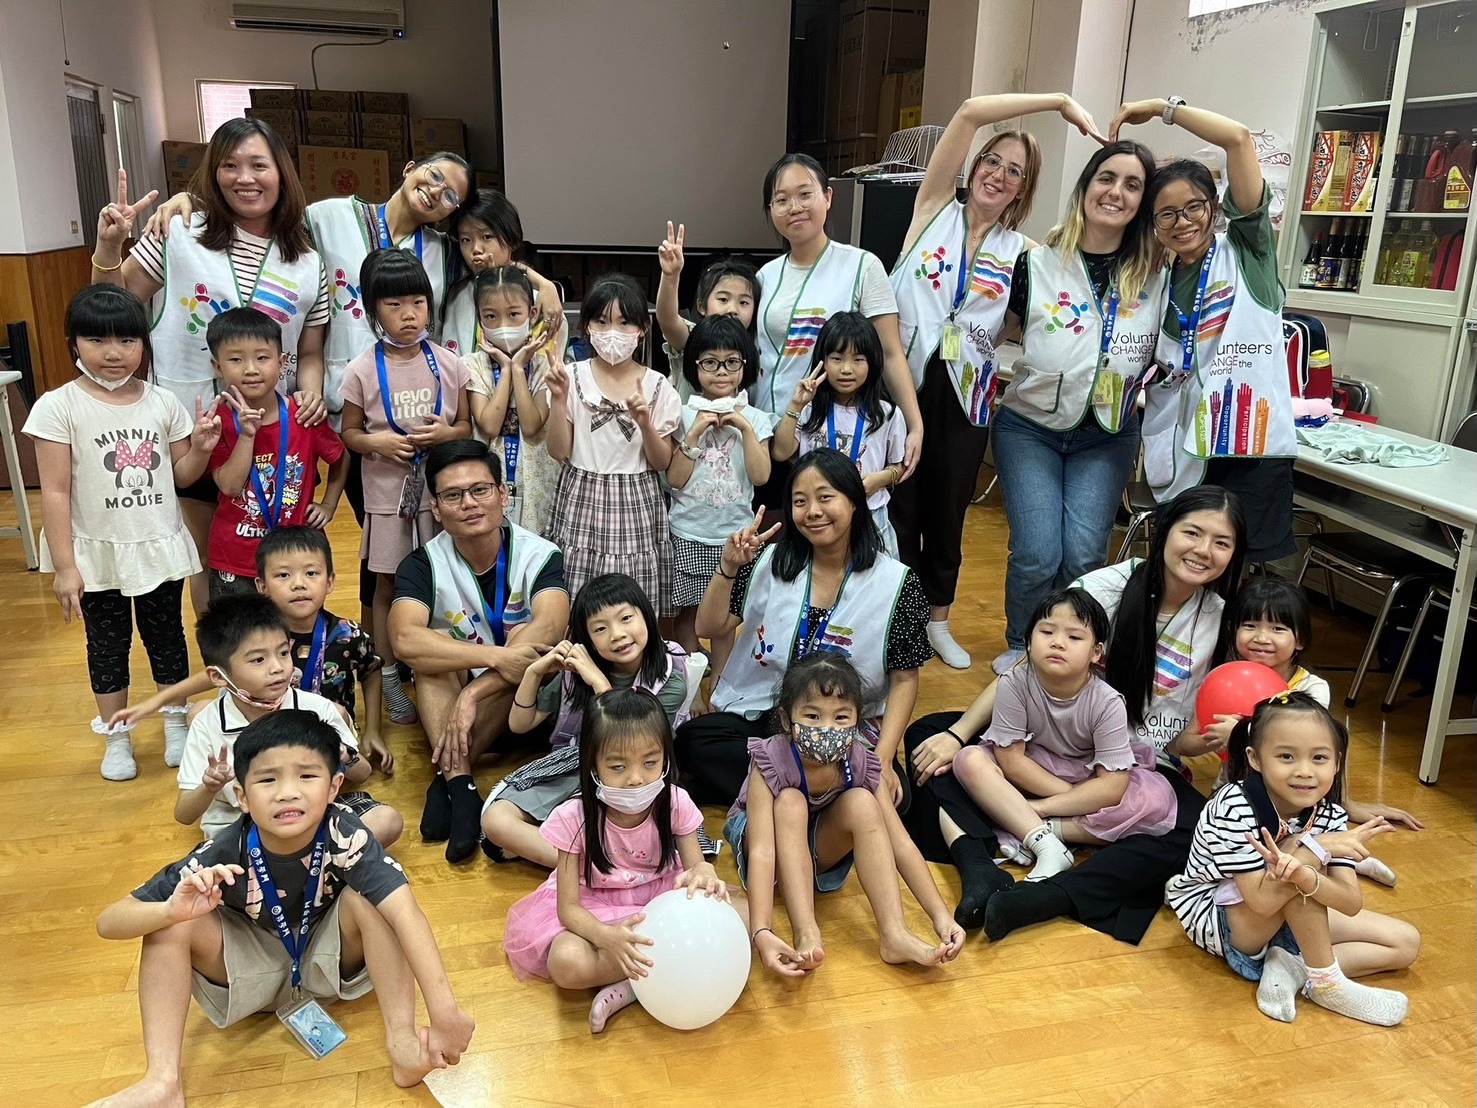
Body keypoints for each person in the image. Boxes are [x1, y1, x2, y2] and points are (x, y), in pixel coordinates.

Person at [904, 486, 1244, 941]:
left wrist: (1219, 737)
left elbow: (1192, 729)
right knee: (930, 737)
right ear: (1164, 531)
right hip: (1049, 745)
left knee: (1200, 834)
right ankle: (980, 868)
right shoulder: (1104, 588)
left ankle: (1043, 891)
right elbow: (1026, 670)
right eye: (1193, 533)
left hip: (1133, 767)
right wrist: (959, 732)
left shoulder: (1222, 620)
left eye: (1221, 542)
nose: (1203, 551)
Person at [93, 712, 474, 1105]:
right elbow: (109, 921)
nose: (287, 792)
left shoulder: (346, 833)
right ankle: (162, 1083)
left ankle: (404, 1047)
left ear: (334, 786)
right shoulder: (224, 850)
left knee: (377, 898)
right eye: (267, 779)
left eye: (307, 776)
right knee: (170, 922)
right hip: (248, 974)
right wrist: (171, 912)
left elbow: (406, 913)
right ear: (241, 796)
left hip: (327, 961)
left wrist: (444, 1011)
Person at [890, 91, 1103, 670]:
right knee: (897, 504)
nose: (999, 176)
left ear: (1022, 190)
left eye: (1015, 172)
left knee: (948, 508)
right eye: (993, 162)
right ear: (974, 166)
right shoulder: (932, 208)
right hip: (899, 382)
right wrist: (1058, 101)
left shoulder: (1025, 254)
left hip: (967, 394)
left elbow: (1019, 319)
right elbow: (968, 112)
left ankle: (936, 618)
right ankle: (896, 614)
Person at [94, 120, 330, 615]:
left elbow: (309, 350)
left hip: (269, 433)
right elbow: (111, 305)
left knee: (273, 563)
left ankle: (274, 668)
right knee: (207, 559)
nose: (245, 177)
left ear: (281, 173)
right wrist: (110, 248)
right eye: (230, 165)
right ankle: (225, 674)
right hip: (189, 427)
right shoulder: (179, 232)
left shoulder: (307, 260)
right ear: (213, 173)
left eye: (258, 165)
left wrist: (309, 391)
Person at [24, 285, 220, 780]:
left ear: (143, 344)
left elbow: (182, 475)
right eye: (97, 340)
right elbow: (55, 493)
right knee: (106, 646)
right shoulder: (57, 405)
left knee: (167, 636)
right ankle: (116, 735)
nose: (114, 353)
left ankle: (176, 722)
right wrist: (65, 567)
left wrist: (199, 446)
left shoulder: (163, 401)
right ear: (74, 343)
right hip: (98, 552)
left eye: (127, 340)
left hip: (157, 543)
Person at [991, 140, 1165, 675]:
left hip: (1108, 433)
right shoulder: (1036, 262)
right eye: (1106, 178)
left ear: (1143, 200)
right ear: (1086, 186)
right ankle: (1024, 644)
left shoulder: (1159, 272)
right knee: (1038, 552)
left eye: (1133, 184)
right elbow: (1002, 329)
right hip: (1031, 427)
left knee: (1084, 557)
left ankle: (1069, 648)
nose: (1116, 192)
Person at [676, 448, 933, 811]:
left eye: (825, 497)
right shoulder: (770, 559)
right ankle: (819, 795)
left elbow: (905, 679)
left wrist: (887, 759)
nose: (812, 511)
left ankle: (778, 791)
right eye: (800, 501)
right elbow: (709, 625)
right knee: (692, 741)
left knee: (898, 796)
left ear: (855, 502)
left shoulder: (896, 583)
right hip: (772, 714)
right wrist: (728, 567)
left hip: (840, 723)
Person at [1110, 100, 1298, 564]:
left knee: (1242, 579)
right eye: (1167, 214)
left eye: (1193, 207)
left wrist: (1160, 108)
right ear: (1153, 225)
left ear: (1214, 207)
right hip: (1187, 448)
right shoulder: (1157, 280)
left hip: (1250, 447)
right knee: (1186, 573)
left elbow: (1237, 138)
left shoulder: (1249, 251)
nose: (1183, 221)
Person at [1166, 693, 1419, 1026]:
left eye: (1319, 758)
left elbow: (1349, 901)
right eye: (1286, 756)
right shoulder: (1233, 804)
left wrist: (1308, 870)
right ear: (1255, 759)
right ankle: (1329, 983)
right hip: (1224, 918)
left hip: (1286, 910)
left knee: (1405, 943)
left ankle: (1294, 968)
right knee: (1295, 878)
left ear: (1337, 763)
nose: (1304, 772)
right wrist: (1315, 848)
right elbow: (1259, 901)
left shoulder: (1330, 813)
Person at [502, 689, 725, 1034]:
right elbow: (569, 910)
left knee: (740, 915)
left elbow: (695, 869)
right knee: (567, 963)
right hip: (596, 906)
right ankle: (653, 972)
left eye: (650, 763)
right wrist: (606, 937)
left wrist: (705, 871)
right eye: (618, 766)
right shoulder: (573, 817)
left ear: (666, 758)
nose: (636, 778)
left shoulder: (676, 801)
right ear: (592, 764)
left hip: (662, 899)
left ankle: (632, 986)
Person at [726, 653, 964, 975]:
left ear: (857, 721)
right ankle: (806, 931)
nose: (827, 728)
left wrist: (941, 916)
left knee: (865, 803)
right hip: (765, 844)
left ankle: (895, 934)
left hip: (815, 847)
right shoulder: (770, 758)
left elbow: (901, 843)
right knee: (791, 801)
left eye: (841, 718)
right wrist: (762, 931)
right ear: (786, 719)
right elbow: (763, 851)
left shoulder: (860, 761)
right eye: (812, 716)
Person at [389, 440, 570, 863]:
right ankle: (462, 786)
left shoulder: (539, 553)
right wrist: (494, 657)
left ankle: (448, 780)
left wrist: (473, 693)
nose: (468, 503)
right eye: (453, 495)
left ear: (503, 495)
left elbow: (549, 628)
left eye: (480, 490)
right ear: (435, 507)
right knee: (429, 663)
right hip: (454, 701)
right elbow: (403, 640)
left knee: (528, 648)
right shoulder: (422, 563)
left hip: (527, 710)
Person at [106, 526, 392, 774]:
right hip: (265, 722)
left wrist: (373, 730)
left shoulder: (348, 635)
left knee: (337, 712)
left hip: (323, 730)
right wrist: (156, 703)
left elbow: (372, 670)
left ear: (329, 581)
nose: (299, 584)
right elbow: (214, 675)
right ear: (262, 586)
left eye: (311, 573)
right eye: (283, 575)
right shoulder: (255, 637)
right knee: (199, 713)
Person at [950, 588, 1177, 889]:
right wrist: (1073, 799)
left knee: (1154, 801)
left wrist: (1046, 806)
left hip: (1088, 776)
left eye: (1074, 637)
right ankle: (1046, 843)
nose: (1058, 642)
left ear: (1096, 653)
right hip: (1035, 769)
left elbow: (1112, 785)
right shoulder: (1014, 682)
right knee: (970, 759)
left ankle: (1037, 827)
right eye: (1046, 631)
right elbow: (1011, 760)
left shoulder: (1107, 701)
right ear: (1029, 640)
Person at [1212, 575, 1419, 885]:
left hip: (1291, 796)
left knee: (1300, 827)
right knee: (1235, 841)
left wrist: (1346, 803)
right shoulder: (1225, 679)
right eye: (1250, 625)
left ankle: (1341, 855)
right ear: (1233, 631)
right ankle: (1328, 853)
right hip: (1237, 792)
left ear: (1300, 640)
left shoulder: (1312, 689)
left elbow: (1318, 749)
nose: (1261, 638)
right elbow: (1193, 739)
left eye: (1278, 628)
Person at [483, 573, 700, 867]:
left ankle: (588, 859)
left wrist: (599, 682)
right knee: (496, 821)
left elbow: (630, 737)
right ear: (588, 640)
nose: (617, 634)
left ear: (647, 616)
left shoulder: (670, 675)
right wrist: (534, 673)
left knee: (638, 829)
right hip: (582, 765)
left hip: (636, 779)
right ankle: (597, 866)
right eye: (600, 628)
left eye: (626, 618)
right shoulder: (577, 676)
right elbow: (520, 724)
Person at [341, 249, 472, 725]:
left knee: (444, 577)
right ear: (373, 309)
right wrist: (375, 441)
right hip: (384, 496)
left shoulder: (449, 363)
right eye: (394, 306)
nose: (409, 315)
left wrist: (446, 435)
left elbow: (465, 425)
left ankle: (444, 662)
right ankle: (388, 675)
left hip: (438, 496)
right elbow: (349, 434)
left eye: (418, 302)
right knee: (387, 584)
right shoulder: (360, 368)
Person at [753, 153, 923, 501]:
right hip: (769, 430)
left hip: (828, 435)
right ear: (771, 210)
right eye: (781, 200)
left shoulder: (861, 265)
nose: (794, 207)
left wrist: (913, 421)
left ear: (828, 197)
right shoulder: (764, 276)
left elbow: (890, 352)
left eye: (805, 194)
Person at [173, 594, 400, 848]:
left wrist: (343, 754)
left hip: (312, 818)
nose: (278, 668)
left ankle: (295, 868)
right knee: (208, 867)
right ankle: (316, 867)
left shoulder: (316, 707)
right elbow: (184, 814)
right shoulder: (208, 724)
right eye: (259, 659)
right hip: (244, 828)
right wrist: (209, 786)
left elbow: (363, 774)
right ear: (218, 676)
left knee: (386, 820)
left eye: (283, 653)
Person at [543, 273, 683, 612]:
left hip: (637, 497)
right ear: (587, 325)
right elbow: (558, 452)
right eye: (602, 321)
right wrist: (560, 399)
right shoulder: (572, 376)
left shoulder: (657, 385)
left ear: (642, 329)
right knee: (578, 595)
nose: (612, 332)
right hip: (581, 493)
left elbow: (662, 461)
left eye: (624, 322)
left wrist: (645, 422)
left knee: (632, 599)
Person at [205, 308, 348, 602]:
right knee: (240, 640)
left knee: (298, 639)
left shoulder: (303, 415)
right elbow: (230, 486)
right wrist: (247, 435)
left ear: (282, 363)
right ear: (217, 366)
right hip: (236, 558)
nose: (251, 369)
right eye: (236, 359)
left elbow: (340, 456)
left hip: (296, 557)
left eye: (262, 357)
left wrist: (330, 504)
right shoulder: (215, 421)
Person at [665, 314, 774, 678]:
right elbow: (675, 480)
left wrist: (744, 428)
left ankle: (725, 685)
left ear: (746, 365)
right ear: (695, 366)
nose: (721, 372)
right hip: (689, 531)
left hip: (735, 536)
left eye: (732, 362)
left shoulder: (757, 419)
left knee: (726, 618)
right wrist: (693, 434)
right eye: (710, 362)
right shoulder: (681, 415)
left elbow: (761, 475)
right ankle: (690, 684)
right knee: (688, 613)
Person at [771, 311, 907, 557]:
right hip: (818, 519)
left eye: (858, 359)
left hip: (870, 516)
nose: (846, 369)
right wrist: (794, 406)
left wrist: (879, 479)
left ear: (872, 362)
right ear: (822, 360)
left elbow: (899, 466)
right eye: (837, 358)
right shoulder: (810, 409)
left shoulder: (887, 413)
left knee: (872, 586)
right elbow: (780, 453)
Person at [464, 266, 563, 535]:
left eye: (513, 314)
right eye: (491, 317)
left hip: (536, 489)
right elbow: (489, 425)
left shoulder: (545, 367)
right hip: (486, 486)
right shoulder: (472, 366)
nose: (503, 325)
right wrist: (505, 369)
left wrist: (518, 369)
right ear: (480, 319)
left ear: (532, 315)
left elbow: (531, 427)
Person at [442, 188, 565, 360]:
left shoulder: (539, 301)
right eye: (466, 240)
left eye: (486, 237)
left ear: (512, 240)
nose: (476, 249)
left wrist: (546, 285)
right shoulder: (454, 291)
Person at [655, 220, 759, 398]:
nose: (732, 309)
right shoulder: (692, 338)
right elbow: (667, 319)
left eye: (744, 302)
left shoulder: (756, 345)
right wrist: (670, 276)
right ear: (701, 305)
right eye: (723, 299)